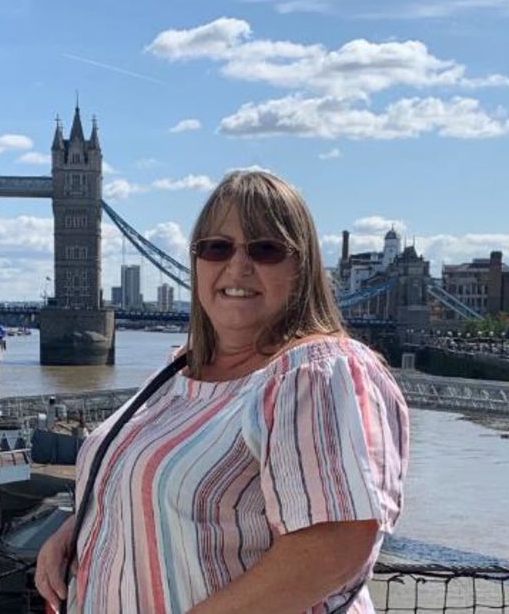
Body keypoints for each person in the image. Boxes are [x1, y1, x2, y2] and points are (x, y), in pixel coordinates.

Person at [35, 171, 409, 613]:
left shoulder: (313, 373)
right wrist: (86, 525)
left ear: (303, 266)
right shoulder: (180, 370)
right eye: (216, 247)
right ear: (196, 262)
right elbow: (155, 483)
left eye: (266, 249)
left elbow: (336, 544)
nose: (237, 266)